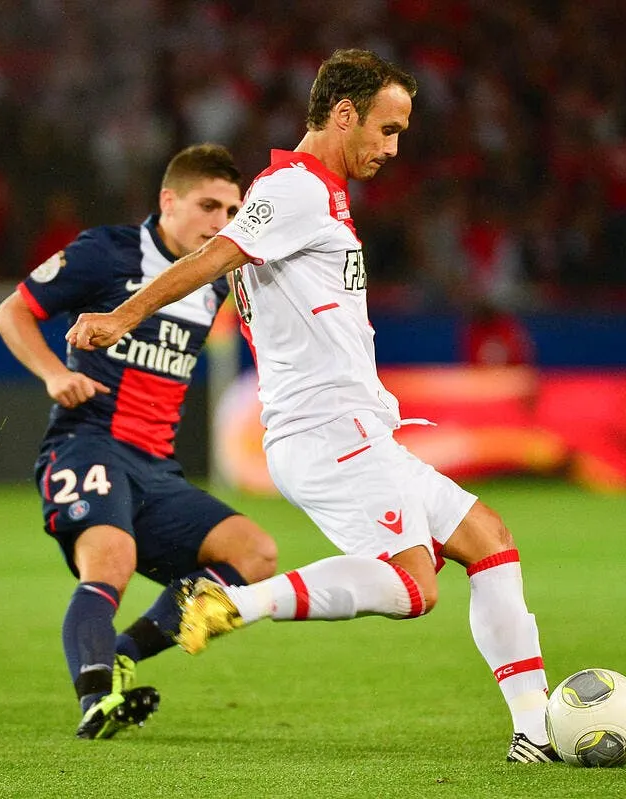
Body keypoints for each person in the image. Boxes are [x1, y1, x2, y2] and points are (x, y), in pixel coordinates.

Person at [66, 49, 559, 763]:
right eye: (387, 130)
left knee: (488, 538)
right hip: (326, 431)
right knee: (414, 587)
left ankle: (537, 733)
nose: (393, 148)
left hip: (355, 430)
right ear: (343, 114)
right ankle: (236, 602)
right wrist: (124, 315)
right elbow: (215, 256)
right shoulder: (293, 188)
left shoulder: (318, 194)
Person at [0, 144, 278, 740]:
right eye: (208, 206)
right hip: (87, 443)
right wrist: (54, 373)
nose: (222, 223)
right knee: (112, 560)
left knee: (255, 555)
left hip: (156, 468)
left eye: (232, 211)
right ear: (168, 201)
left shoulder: (216, 280)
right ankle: (96, 699)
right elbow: (12, 312)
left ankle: (121, 652)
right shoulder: (108, 252)